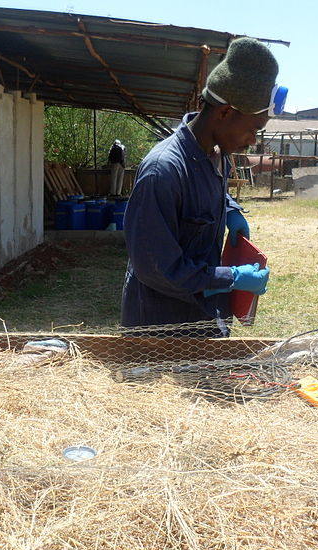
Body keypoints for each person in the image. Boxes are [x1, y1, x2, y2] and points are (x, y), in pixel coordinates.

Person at [121, 37, 287, 336]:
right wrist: (231, 277)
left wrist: (231, 208)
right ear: (224, 113)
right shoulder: (163, 171)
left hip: (202, 317)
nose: (253, 140)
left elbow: (206, 195)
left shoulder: (218, 155)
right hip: (162, 331)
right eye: (253, 129)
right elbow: (157, 269)